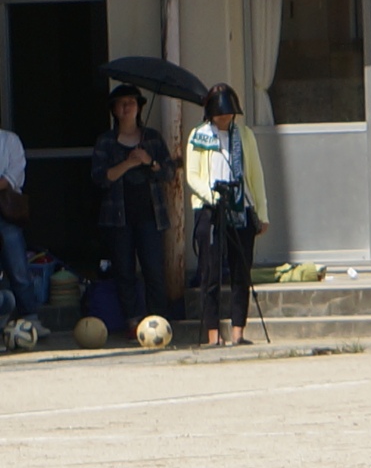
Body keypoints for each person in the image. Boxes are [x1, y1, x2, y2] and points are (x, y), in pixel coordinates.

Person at [185, 83, 269, 347]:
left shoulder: (244, 135)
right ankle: (213, 334)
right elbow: (192, 175)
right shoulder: (199, 135)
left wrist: (262, 212)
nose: (225, 118)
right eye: (220, 114)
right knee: (210, 272)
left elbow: (255, 174)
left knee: (240, 272)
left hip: (240, 208)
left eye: (229, 113)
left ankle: (238, 332)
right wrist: (211, 196)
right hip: (209, 210)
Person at [91, 84, 175, 339]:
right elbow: (100, 178)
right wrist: (128, 163)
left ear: (139, 107)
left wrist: (150, 161)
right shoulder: (106, 141)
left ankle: (158, 321)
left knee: (154, 270)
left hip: (150, 215)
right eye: (121, 103)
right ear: (114, 110)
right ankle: (131, 321)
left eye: (132, 102)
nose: (127, 107)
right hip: (118, 217)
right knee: (124, 271)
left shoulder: (152, 138)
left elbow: (169, 172)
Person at [0, 127, 48, 338]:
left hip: (6, 211)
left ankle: (31, 319)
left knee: (18, 267)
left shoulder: (9, 140)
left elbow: (12, 178)